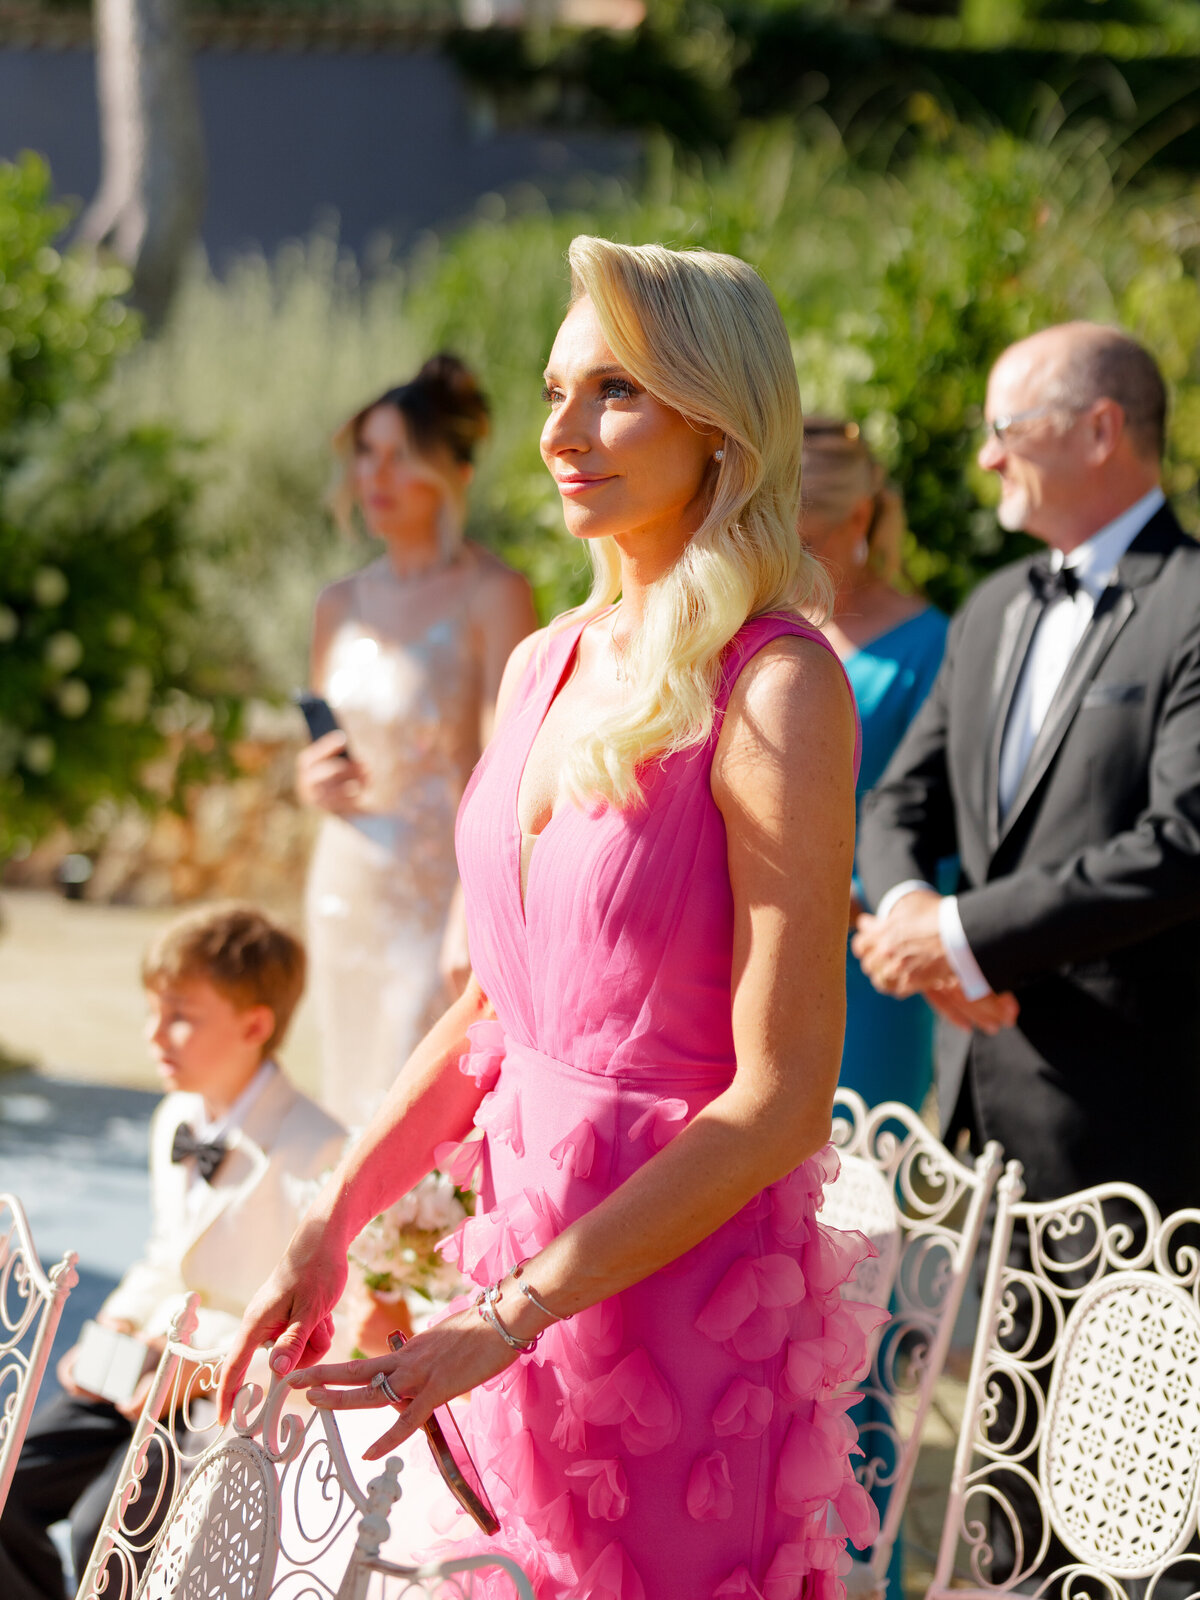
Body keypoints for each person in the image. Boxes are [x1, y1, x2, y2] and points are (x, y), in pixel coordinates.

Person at [219, 237, 885, 1600]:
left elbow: (783, 1101)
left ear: (719, 422)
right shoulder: (543, 662)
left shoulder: (778, 689)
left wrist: (511, 1315)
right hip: (512, 1266)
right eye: (555, 391)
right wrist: (333, 1220)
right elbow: (489, 1013)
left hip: (681, 1301)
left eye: (616, 395)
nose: (561, 434)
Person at [853, 322, 1200, 1218]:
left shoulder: (1191, 603)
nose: (987, 456)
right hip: (982, 1109)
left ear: (1099, 430)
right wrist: (914, 924)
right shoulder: (993, 607)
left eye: (1007, 428)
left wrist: (963, 938)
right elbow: (900, 802)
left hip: (1138, 1117)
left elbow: (1183, 845)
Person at [0, 904, 346, 1600]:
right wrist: (114, 1330)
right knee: (9, 1486)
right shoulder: (177, 1119)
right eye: (154, 1011)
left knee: (108, 1530)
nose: (153, 1034)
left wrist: (195, 1367)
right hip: (139, 1366)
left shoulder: (321, 1147)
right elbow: (167, 1253)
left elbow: (317, 1318)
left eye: (180, 1014)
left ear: (255, 1026)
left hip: (221, 1395)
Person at [300, 354, 536, 1131]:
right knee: (348, 1100)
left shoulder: (495, 595)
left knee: (423, 1119)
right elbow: (327, 747)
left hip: (443, 896)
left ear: (452, 470)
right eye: (367, 452)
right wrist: (314, 782)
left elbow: (514, 761)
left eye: (401, 454)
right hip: (344, 888)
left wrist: (475, 904)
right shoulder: (336, 605)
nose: (377, 474)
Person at [802, 418, 947, 1112]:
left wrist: (862, 898)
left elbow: (946, 821)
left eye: (804, 537)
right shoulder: (754, 630)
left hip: (866, 958)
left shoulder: (929, 646)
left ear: (858, 516)